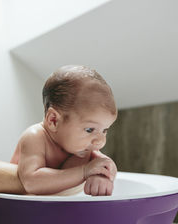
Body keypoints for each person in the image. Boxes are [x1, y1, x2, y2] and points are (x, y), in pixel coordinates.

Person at [10, 65, 117, 196]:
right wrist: (84, 171)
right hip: (17, 206)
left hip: (52, 207)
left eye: (104, 130)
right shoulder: (35, 137)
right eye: (90, 129)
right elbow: (31, 182)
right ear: (53, 120)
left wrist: (101, 176)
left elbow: (106, 164)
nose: (100, 142)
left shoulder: (83, 147)